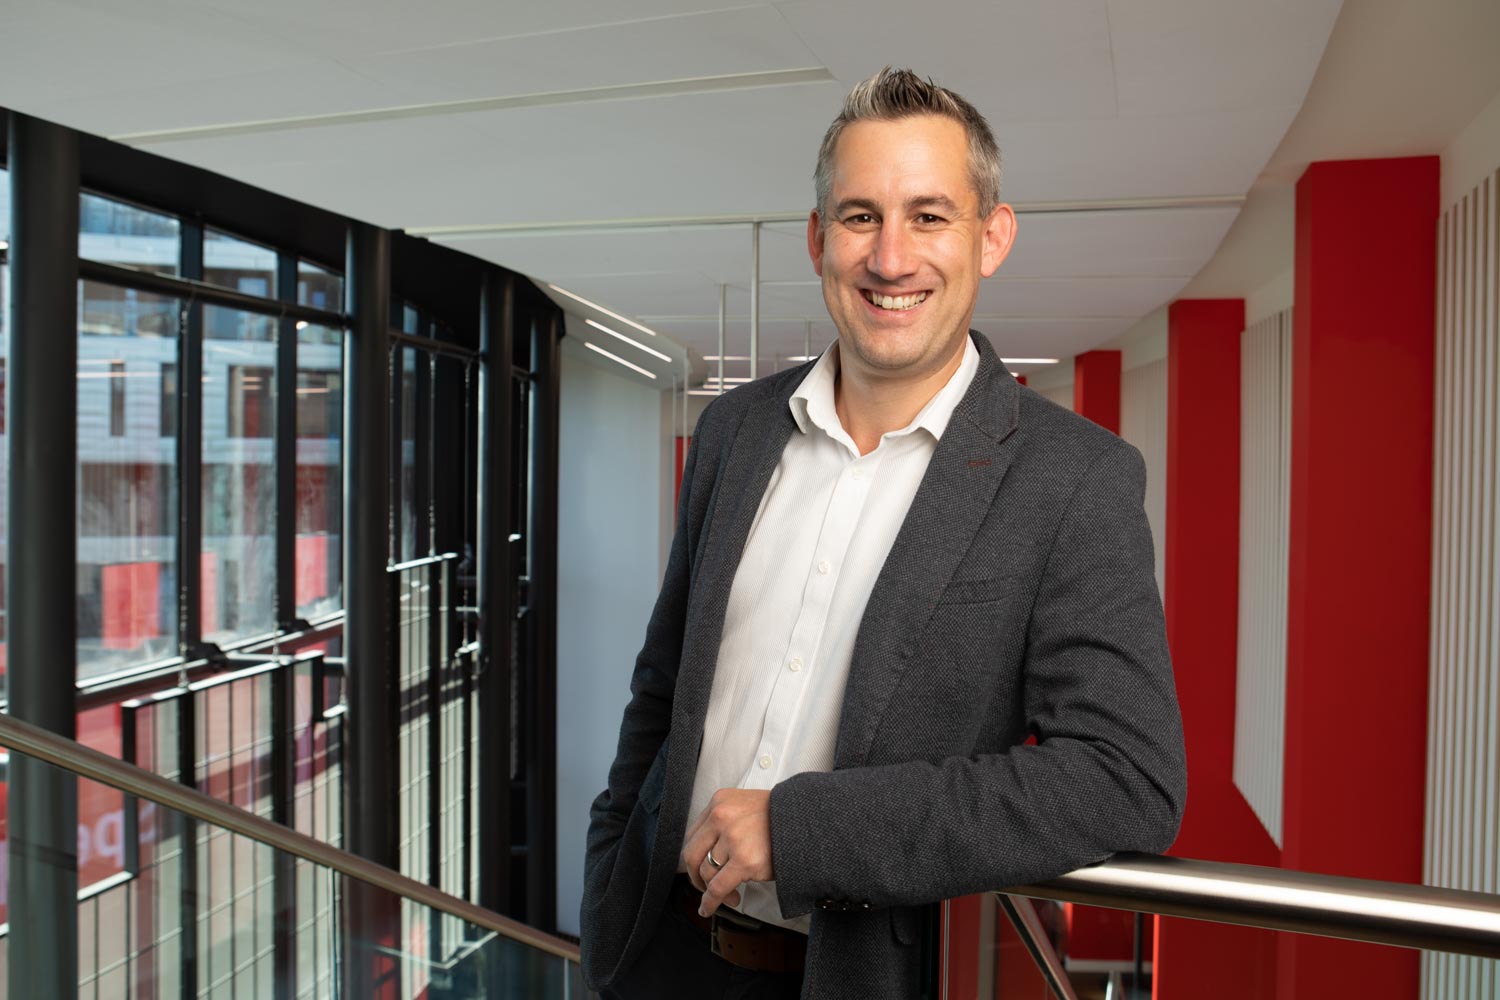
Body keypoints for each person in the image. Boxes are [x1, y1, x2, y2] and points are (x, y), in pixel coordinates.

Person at [581, 67, 1186, 1000]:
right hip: (653, 953)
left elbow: (1125, 780)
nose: (892, 259)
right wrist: (603, 913)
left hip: (846, 978)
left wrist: (804, 829)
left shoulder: (1075, 481)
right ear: (820, 239)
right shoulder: (734, 432)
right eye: (861, 216)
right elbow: (660, 692)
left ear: (993, 237)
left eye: (930, 217)